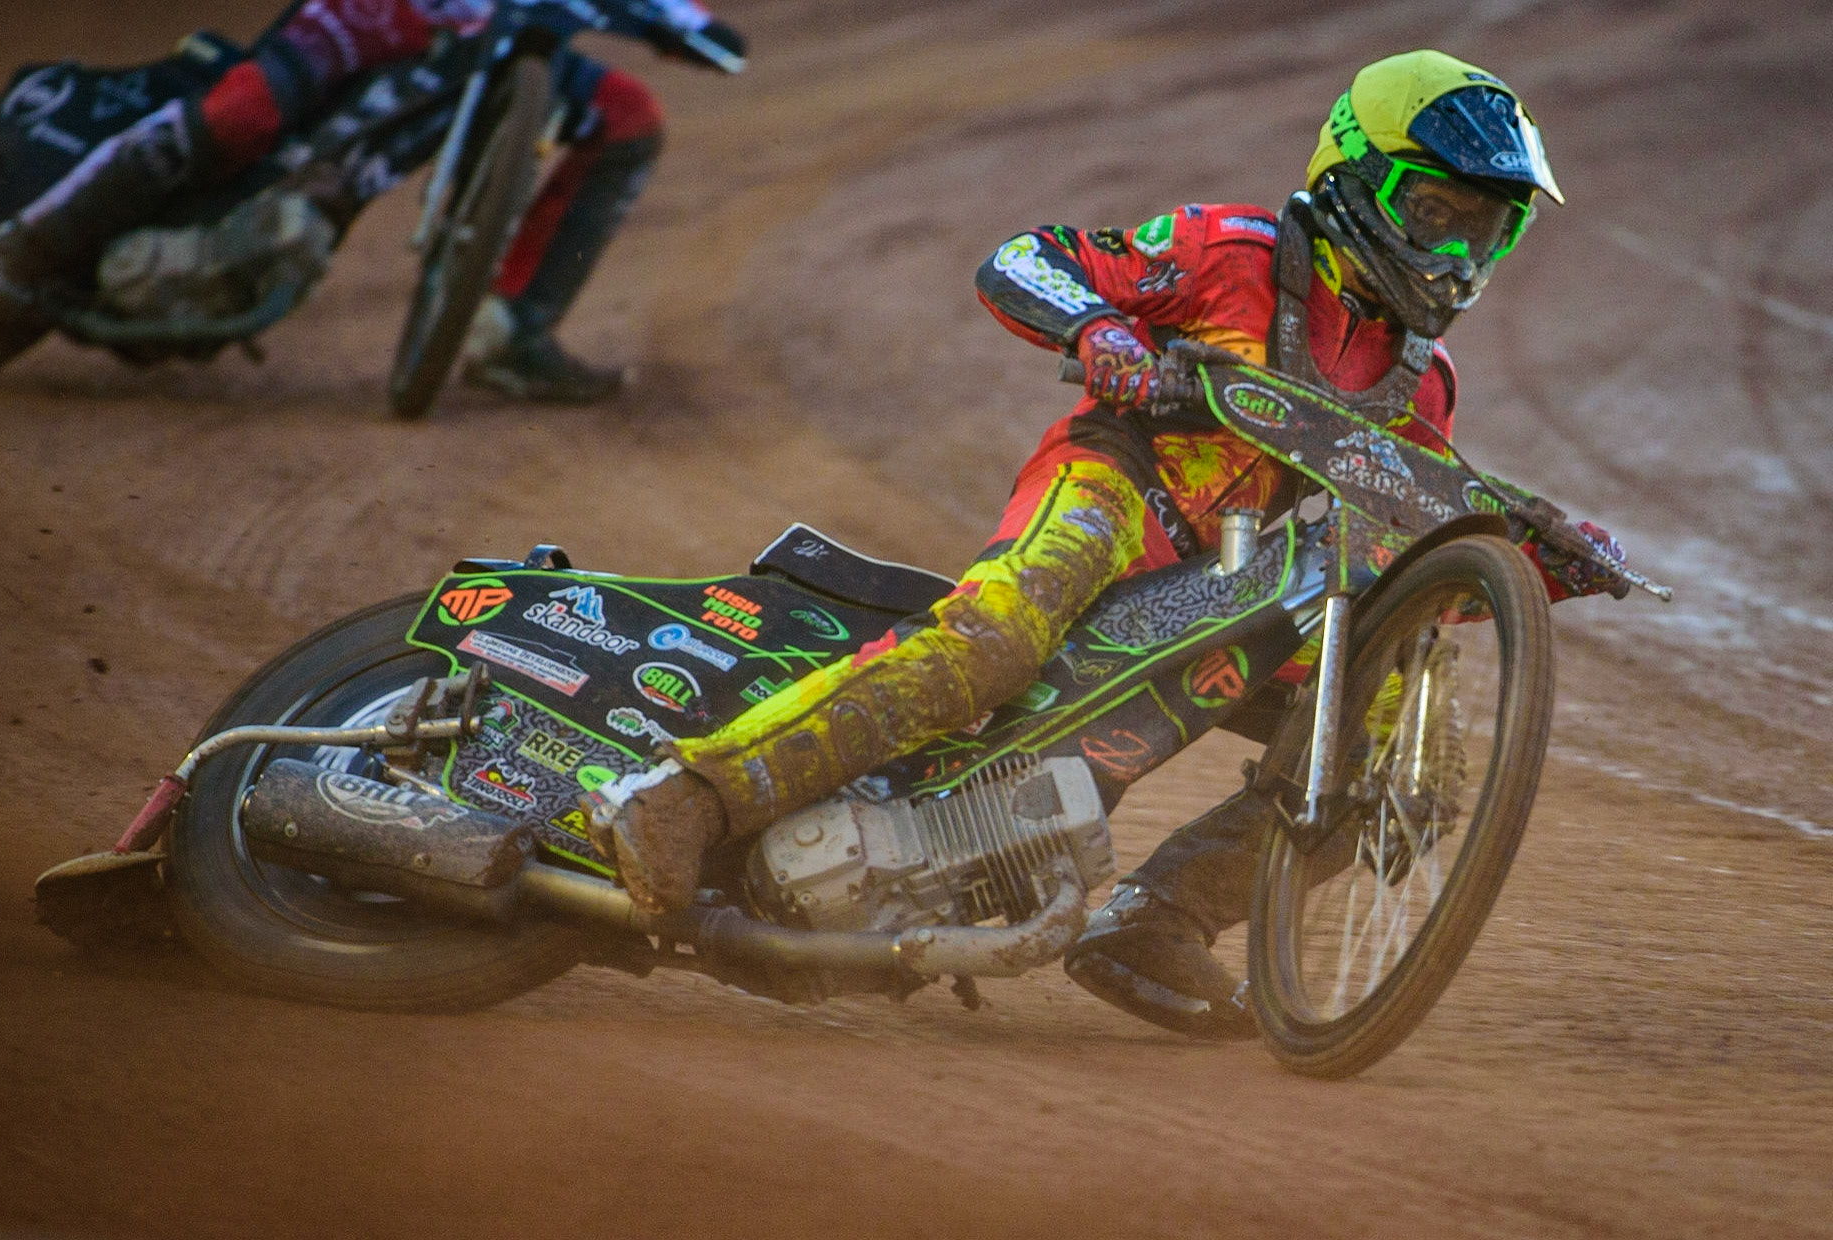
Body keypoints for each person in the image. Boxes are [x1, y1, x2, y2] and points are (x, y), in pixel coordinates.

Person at [599, 50, 1625, 1037]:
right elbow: (1021, 259)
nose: (1454, 254)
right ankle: (688, 796)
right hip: (1117, 485)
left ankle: (1153, 924)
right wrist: (1100, 334)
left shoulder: (1425, 381)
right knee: (998, 633)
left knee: (1401, 742)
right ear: (1353, 177)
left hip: (1227, 577)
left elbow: (1401, 534)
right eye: (1431, 215)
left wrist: (1542, 561)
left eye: (1484, 231)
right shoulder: (1229, 250)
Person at [0, 0, 746, 403]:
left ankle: (508, 330)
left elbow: (678, 25)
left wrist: (690, 25)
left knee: (627, 118)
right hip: (381, 13)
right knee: (246, 110)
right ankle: (32, 242)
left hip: (512, 35)